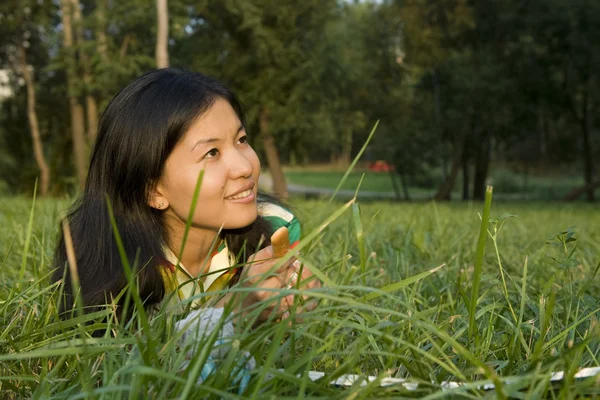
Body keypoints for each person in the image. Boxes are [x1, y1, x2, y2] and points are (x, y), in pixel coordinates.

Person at [51, 68, 320, 330]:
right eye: (212, 152)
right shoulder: (100, 260)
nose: (245, 167)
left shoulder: (276, 224)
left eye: (241, 139)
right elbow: (119, 366)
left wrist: (292, 308)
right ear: (153, 190)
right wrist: (235, 310)